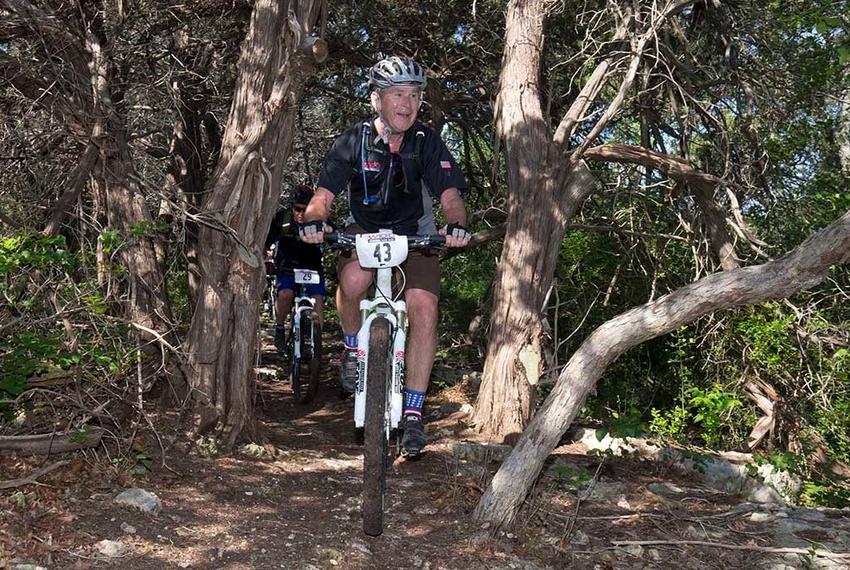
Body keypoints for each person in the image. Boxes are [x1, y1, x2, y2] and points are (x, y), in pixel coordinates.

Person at [299, 56, 471, 456]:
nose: (407, 104)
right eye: (397, 94)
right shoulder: (352, 140)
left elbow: (450, 196)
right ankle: (352, 350)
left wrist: (456, 224)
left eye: (414, 95)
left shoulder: (427, 141)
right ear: (377, 99)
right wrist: (313, 222)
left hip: (417, 233)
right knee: (354, 280)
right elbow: (322, 198)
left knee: (424, 307)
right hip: (365, 228)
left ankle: (413, 412)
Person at [265, 185, 326, 352]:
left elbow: (332, 232)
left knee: (318, 300)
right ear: (291, 207)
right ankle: (279, 330)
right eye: (296, 209)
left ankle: (317, 341)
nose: (300, 213)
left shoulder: (317, 219)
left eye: (304, 210)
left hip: (312, 269)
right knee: (285, 295)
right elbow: (266, 240)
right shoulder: (282, 220)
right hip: (287, 268)